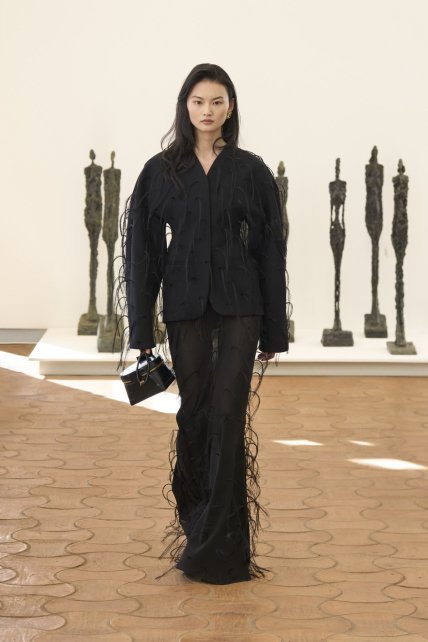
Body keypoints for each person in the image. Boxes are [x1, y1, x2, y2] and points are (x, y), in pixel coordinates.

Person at [122, 63, 288, 584]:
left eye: (217, 101)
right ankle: (197, 526)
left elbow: (270, 250)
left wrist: (274, 331)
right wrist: (142, 333)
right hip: (185, 305)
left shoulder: (250, 170)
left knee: (228, 415)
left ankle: (222, 549)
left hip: (241, 305)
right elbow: (142, 252)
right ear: (185, 106)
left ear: (230, 107)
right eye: (198, 101)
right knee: (194, 416)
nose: (207, 111)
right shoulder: (160, 171)